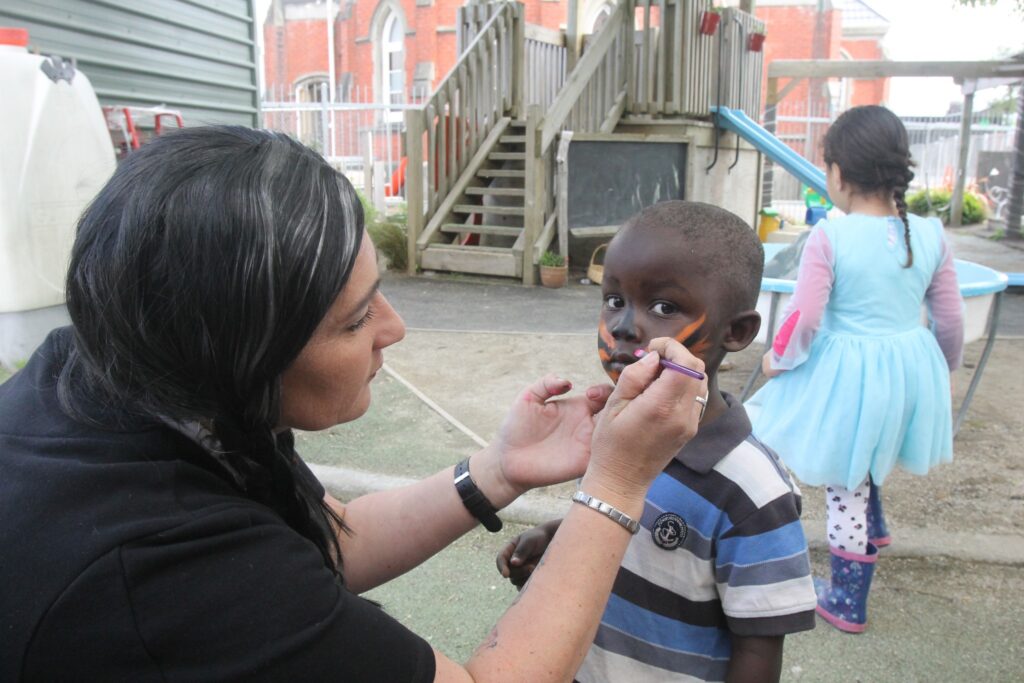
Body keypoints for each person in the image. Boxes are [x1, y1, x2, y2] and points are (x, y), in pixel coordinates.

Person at [0, 126, 711, 682]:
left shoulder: (124, 368)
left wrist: (498, 468)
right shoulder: (166, 574)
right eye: (353, 319)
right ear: (242, 352)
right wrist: (617, 483)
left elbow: (323, 540)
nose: (393, 330)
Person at [497, 201, 817, 682]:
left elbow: (759, 647)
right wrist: (558, 536)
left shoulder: (754, 492)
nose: (624, 326)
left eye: (664, 307)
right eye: (614, 300)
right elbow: (620, 522)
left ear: (736, 331)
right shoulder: (617, 434)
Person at [745, 105, 964, 633]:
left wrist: (779, 358)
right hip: (909, 367)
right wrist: (939, 372)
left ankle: (845, 597)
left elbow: (804, 316)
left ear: (839, 173)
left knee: (841, 476)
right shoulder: (930, 234)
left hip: (849, 375)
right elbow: (951, 319)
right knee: (871, 444)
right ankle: (876, 526)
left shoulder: (832, 237)